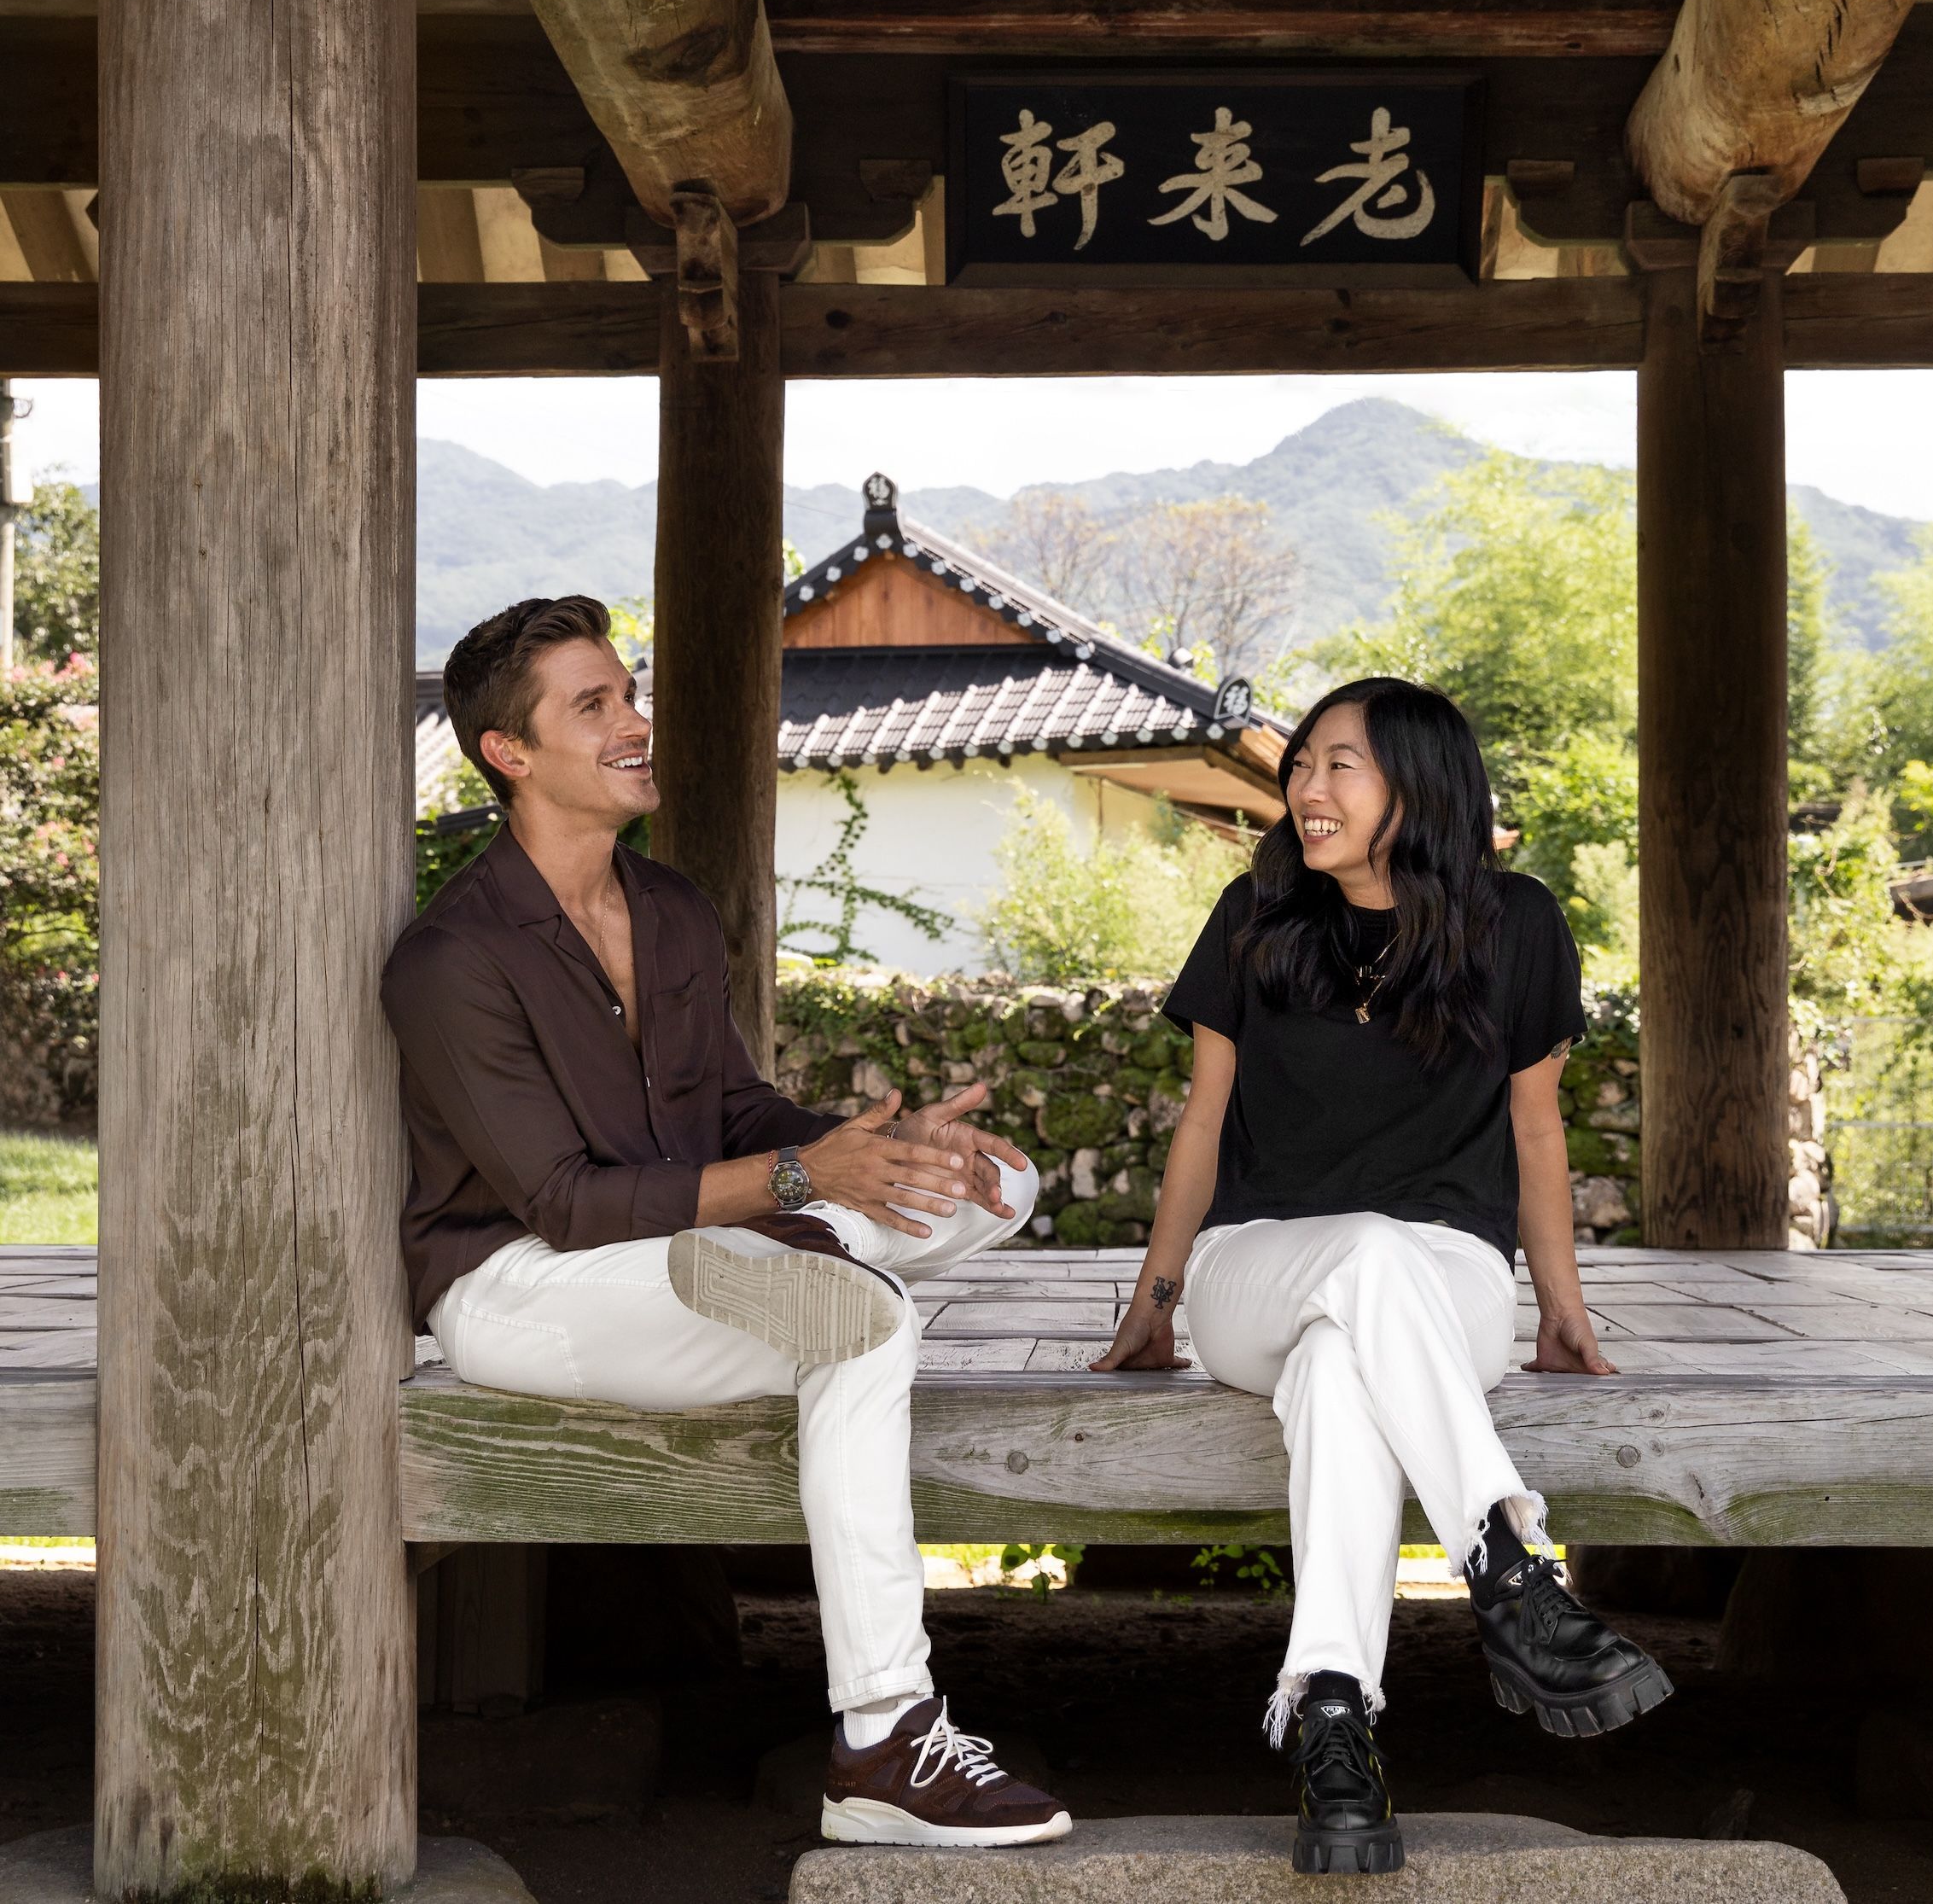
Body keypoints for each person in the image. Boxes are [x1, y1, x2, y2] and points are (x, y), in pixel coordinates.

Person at [381, 591, 1069, 1852]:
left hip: (692, 1247)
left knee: (999, 1186)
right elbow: (566, 1202)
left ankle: (777, 1252)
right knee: (859, 1324)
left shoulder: (670, 909)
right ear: (509, 752)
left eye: (628, 692)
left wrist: (875, 1145)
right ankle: (880, 1734)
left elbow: (734, 1106)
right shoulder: (451, 959)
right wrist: (803, 1182)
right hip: (528, 1285)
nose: (634, 720)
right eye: (594, 705)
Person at [1093, 675, 1669, 1878]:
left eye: (1337, 764)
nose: (1305, 788)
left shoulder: (1518, 924)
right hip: (1256, 1267)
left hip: (1445, 1277)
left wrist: (1560, 1307)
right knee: (1351, 1254)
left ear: (1419, 781)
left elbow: (1535, 1132)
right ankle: (1507, 1571)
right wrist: (1154, 1303)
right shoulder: (1254, 915)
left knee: (1340, 1371)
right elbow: (1201, 1126)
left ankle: (1334, 1724)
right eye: (1301, 764)